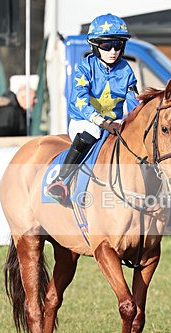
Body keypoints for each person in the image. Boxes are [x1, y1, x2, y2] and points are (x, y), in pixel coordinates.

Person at [46, 13, 139, 205]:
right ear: (95, 46)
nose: (113, 51)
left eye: (118, 45)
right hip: (85, 120)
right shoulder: (85, 68)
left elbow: (133, 103)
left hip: (114, 122)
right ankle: (60, 181)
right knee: (93, 131)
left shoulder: (126, 70)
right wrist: (101, 121)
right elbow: (79, 101)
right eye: (106, 45)